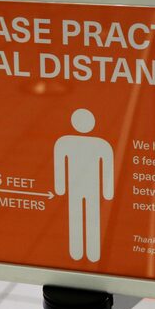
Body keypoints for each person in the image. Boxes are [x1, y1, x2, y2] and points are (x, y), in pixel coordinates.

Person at [54, 109, 114, 263]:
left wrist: (60, 187)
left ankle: (81, 251)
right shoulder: (101, 144)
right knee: (88, 216)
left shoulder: (65, 142)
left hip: (81, 187)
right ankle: (85, 252)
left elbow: (108, 167)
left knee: (81, 216)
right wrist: (108, 192)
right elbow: (60, 164)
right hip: (87, 187)